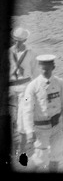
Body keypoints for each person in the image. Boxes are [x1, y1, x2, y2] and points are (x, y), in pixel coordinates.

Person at [18, 54, 63, 172]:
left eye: (48, 68)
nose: (45, 71)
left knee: (56, 157)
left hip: (57, 126)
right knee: (40, 159)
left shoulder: (60, 83)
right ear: (39, 68)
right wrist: (29, 131)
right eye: (42, 68)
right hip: (41, 128)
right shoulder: (32, 86)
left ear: (53, 67)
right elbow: (27, 110)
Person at [9, 27, 37, 159]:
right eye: (16, 40)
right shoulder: (8, 52)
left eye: (20, 41)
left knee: (22, 118)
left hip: (25, 88)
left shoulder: (31, 53)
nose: (18, 43)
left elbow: (34, 72)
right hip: (10, 88)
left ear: (25, 40)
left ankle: (22, 148)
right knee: (10, 118)